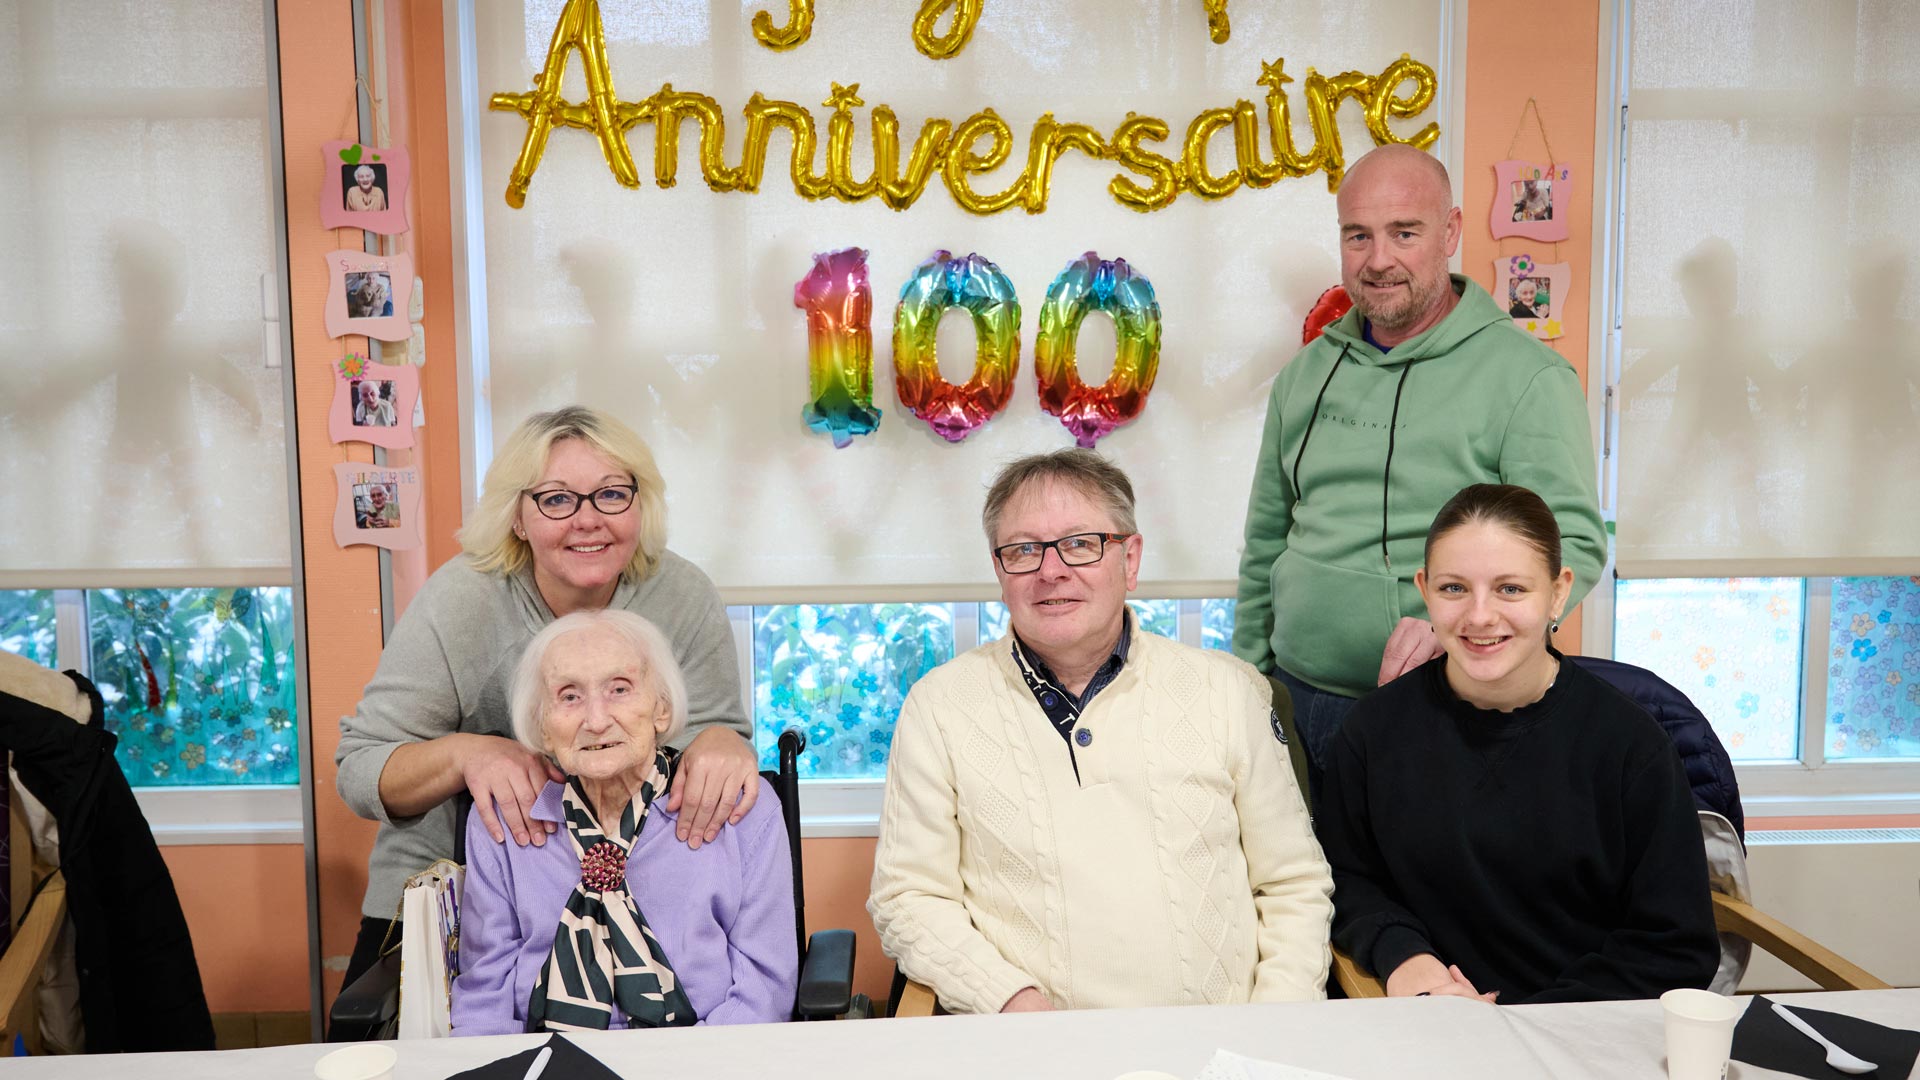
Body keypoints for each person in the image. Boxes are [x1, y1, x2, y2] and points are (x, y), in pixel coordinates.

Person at [869, 450, 1333, 1015]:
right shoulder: (939, 706)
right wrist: (1010, 1000)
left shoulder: (1228, 691)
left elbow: (1293, 886)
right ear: (999, 570)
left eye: (1081, 544)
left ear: (1130, 560)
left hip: (1216, 1047)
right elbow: (908, 897)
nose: (1051, 570)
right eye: (1023, 550)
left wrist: (1270, 1033)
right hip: (1029, 1050)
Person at [335, 406, 760, 994]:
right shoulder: (462, 601)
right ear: (517, 515)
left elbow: (716, 732)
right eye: (557, 500)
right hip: (459, 902)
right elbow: (360, 770)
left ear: (641, 504)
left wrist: (721, 738)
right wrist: (467, 754)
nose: (588, 521)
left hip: (646, 889)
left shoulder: (683, 595)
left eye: (612, 494)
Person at [1233, 144, 1605, 802]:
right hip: (1294, 705)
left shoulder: (1529, 378)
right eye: (1359, 236)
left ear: (1451, 231)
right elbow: (1267, 538)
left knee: (1422, 906)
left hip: (1448, 714)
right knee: (1302, 900)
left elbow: (1573, 543)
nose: (1379, 260)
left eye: (1405, 232)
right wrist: (1246, 684)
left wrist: (1465, 631)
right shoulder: (1305, 376)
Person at [1316, 483, 1718, 1004]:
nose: (1480, 616)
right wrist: (1408, 963)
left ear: (1558, 592)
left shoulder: (1630, 746)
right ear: (1424, 588)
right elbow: (1347, 879)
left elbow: (1677, 945)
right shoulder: (1373, 731)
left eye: (1510, 589)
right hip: (1431, 1024)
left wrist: (1522, 1023)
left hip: (1583, 1033)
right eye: (1454, 588)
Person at [453, 609, 796, 1033]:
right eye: (569, 696)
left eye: (619, 689)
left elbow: (764, 990)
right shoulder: (506, 818)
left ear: (662, 710)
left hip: (701, 1056)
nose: (596, 721)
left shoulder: (741, 812)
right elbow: (484, 993)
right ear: (543, 727)